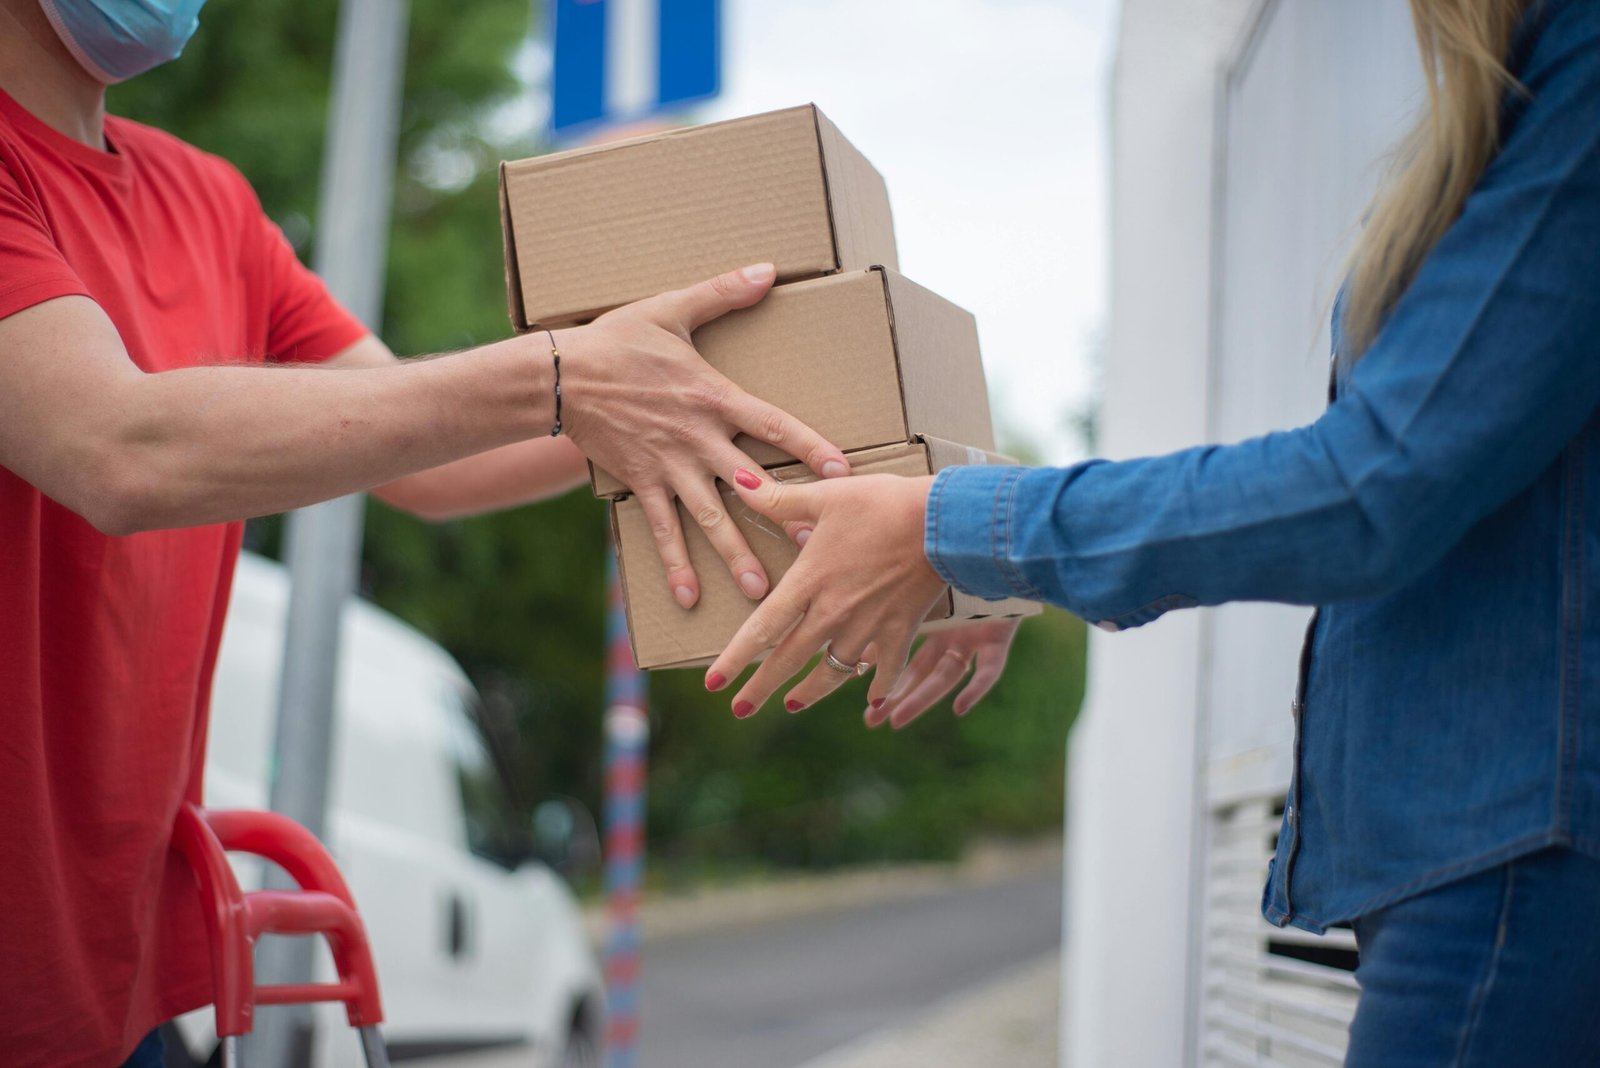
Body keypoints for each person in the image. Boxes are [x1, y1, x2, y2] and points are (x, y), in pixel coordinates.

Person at [709, 0, 1600, 1063]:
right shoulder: (1515, 89)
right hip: (1478, 851)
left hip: (1509, 855)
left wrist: (953, 531)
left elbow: (1368, 488)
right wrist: (996, 564)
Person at [0, 1, 856, 1064]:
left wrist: (734, 383)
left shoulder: (205, 202)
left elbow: (437, 449)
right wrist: (565, 375)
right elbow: (115, 448)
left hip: (112, 996)